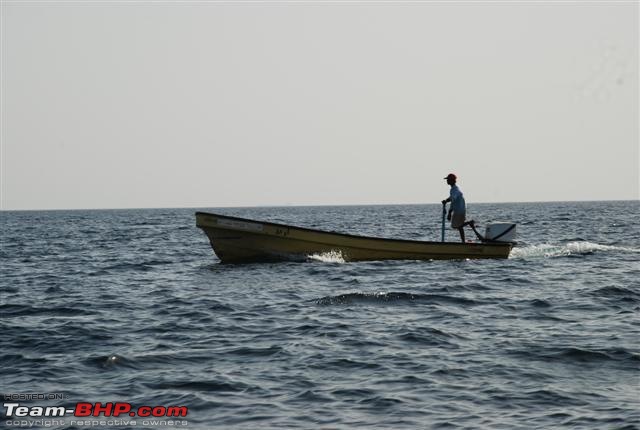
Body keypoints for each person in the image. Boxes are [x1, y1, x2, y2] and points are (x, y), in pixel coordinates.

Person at [441, 173, 482, 243]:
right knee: (459, 227)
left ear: (452, 180)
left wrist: (446, 201)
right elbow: (453, 201)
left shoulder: (455, 189)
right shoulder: (453, 189)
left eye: (448, 179)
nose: (447, 181)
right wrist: (450, 212)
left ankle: (469, 223)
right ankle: (463, 242)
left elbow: (453, 198)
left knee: (456, 226)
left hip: (459, 210)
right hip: (458, 210)